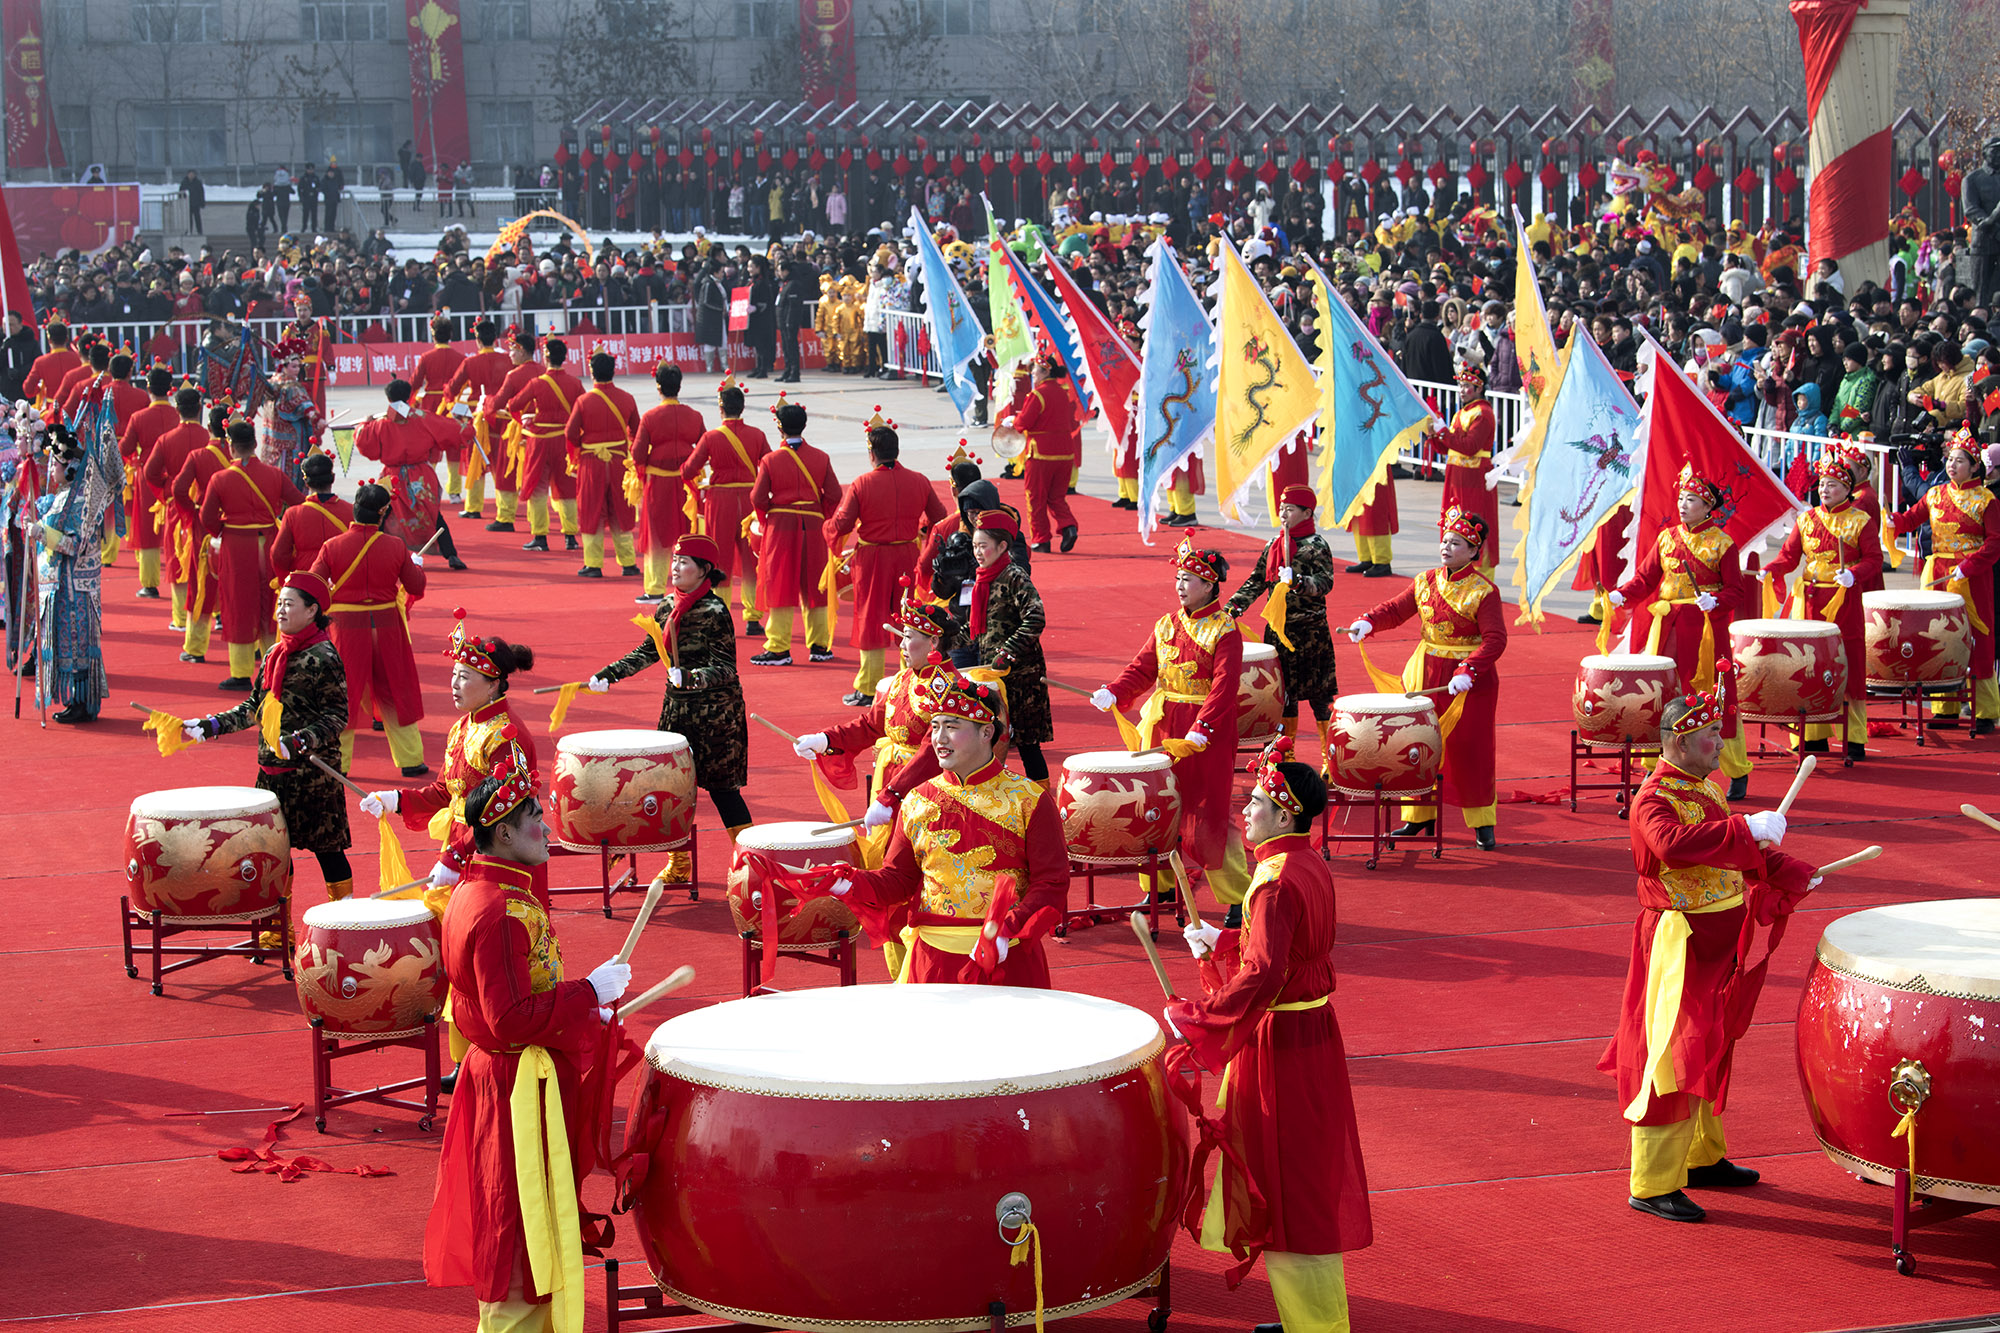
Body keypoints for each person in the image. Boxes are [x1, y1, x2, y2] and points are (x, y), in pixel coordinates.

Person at [1167, 738, 1372, 1332]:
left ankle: (1317, 1327)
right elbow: (1290, 954)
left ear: (1285, 814)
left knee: (1287, 1189)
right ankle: (1307, 1317)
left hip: (1280, 1045)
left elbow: (1264, 974)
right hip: (1310, 1033)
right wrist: (1224, 941)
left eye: (1254, 803)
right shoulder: (1307, 864)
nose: (1244, 813)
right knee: (1297, 1181)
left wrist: (1196, 1015)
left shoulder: (1274, 880)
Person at [422, 752, 629, 1332]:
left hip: (511, 1076)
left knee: (521, 1214)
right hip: (517, 1083)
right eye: (535, 816)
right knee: (517, 1220)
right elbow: (511, 1018)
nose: (546, 825)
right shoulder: (500, 911)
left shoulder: (480, 892)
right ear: (505, 831)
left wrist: (586, 996)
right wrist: (586, 992)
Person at [1598, 684, 1817, 1224]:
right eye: (1710, 737)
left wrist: (1795, 873)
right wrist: (1745, 827)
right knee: (1673, 1057)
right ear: (1678, 740)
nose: (1721, 745)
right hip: (1681, 946)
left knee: (1712, 1047)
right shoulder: (1654, 797)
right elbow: (1674, 845)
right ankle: (1651, 1182)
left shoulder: (1705, 789)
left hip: (1721, 941)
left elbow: (1741, 855)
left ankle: (1700, 1157)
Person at [793, 673, 1068, 986]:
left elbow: (1052, 882)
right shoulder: (918, 800)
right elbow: (898, 881)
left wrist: (1007, 929)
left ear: (986, 732)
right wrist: (848, 883)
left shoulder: (1029, 800)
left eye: (952, 727)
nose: (939, 738)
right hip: (932, 961)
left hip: (1007, 956)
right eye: (935, 727)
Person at [181, 571, 354, 935]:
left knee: (328, 852)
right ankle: (278, 930)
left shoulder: (323, 656)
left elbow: (338, 715)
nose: (280, 610)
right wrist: (209, 726)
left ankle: (345, 926)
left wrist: (300, 741)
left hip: (312, 776)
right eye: (279, 603)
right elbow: (253, 708)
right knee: (275, 854)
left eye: (289, 604)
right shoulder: (275, 652)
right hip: (271, 775)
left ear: (312, 611)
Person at [587, 533, 753, 878]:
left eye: (684, 562)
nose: (675, 567)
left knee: (723, 792)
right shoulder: (666, 605)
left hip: (716, 717)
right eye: (675, 561)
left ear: (703, 570)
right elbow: (647, 652)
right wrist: (609, 675)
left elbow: (726, 668)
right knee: (669, 789)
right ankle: (678, 863)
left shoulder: (715, 611)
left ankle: (751, 864)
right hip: (677, 712)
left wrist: (691, 677)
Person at [1097, 537, 1249, 913]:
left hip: (1204, 734)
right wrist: (1115, 691)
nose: (1180, 585)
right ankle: (1159, 886)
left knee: (1208, 811)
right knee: (1157, 807)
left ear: (1210, 585)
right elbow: (1143, 668)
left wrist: (1204, 727)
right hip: (1164, 726)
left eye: (1188, 579)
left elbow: (1224, 686)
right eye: (1178, 578)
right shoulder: (1166, 624)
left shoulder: (1224, 630)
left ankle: (1235, 897)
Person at [365, 615, 542, 925]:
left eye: (464, 677)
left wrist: (459, 854)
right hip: (461, 841)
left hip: (498, 848)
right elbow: (447, 791)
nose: (454, 684)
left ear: (493, 684)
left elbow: (505, 810)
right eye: (454, 674)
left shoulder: (505, 734)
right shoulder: (464, 726)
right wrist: (396, 799)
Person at [1348, 505, 1506, 849]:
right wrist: (1369, 621)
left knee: (1470, 749)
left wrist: (1470, 668)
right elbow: (1396, 609)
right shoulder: (1426, 581)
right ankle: (1418, 818)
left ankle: (1482, 821)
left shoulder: (1484, 591)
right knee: (1418, 743)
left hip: (1468, 682)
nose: (1446, 547)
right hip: (1428, 670)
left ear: (1474, 551)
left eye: (1457, 543)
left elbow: (1496, 639)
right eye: (1445, 541)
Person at [1608, 464, 1755, 799]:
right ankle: (1653, 772)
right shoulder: (1666, 538)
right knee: (1662, 695)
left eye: (1691, 499)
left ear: (1708, 507)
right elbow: (1646, 579)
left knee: (1715, 697)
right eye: (1681, 498)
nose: (1683, 504)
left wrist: (1714, 599)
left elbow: (1737, 590)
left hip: (1705, 629)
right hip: (1668, 627)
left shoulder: (1722, 544)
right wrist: (1623, 593)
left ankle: (1736, 769)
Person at [794, 577, 958, 826]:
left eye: (908, 637)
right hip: (894, 783)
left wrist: (891, 795)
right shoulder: (904, 677)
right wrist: (825, 739)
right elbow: (872, 725)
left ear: (933, 642)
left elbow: (931, 752)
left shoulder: (946, 688)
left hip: (926, 789)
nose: (901, 645)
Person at [1761, 444, 1883, 760]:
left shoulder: (1860, 521)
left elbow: (1874, 558)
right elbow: (1789, 557)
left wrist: (1854, 574)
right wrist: (1771, 569)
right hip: (1809, 600)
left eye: (1833, 484)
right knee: (1809, 664)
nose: (1825, 489)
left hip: (1843, 600)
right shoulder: (1807, 520)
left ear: (1847, 488)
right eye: (1822, 484)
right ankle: (1811, 736)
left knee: (1848, 662)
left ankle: (1854, 737)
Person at [823, 415, 947, 703]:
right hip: (907, 554)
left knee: (871, 619)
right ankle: (912, 682)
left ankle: (869, 687)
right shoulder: (919, 481)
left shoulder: (861, 483)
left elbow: (841, 524)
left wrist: (825, 527)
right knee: (909, 620)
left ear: (872, 453)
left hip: (872, 558)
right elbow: (939, 517)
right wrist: (919, 531)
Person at [309, 483, 429, 776]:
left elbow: (313, 585)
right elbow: (415, 586)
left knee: (344, 693)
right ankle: (411, 759)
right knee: (393, 690)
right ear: (383, 512)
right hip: (386, 625)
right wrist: (416, 567)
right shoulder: (395, 546)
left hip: (346, 628)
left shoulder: (332, 546)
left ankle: (341, 761)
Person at [1889, 428, 1999, 732]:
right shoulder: (1936, 493)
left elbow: (1995, 542)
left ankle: (1986, 711)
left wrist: (1971, 564)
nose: (1952, 465)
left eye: (1960, 460)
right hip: (1938, 572)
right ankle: (1944, 708)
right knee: (1938, 637)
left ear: (1975, 465)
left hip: (1971, 575)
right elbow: (1913, 518)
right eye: (1950, 459)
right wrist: (1893, 522)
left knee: (1978, 638)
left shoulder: (1985, 500)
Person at [1225, 483, 1338, 762]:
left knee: (1320, 698)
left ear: (1306, 512)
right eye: (1281, 508)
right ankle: (1285, 757)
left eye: (1289, 509)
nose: (1282, 513)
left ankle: (1329, 757)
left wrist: (1299, 582)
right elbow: (1256, 581)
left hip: (1310, 631)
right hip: (1279, 631)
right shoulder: (1274, 545)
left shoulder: (1316, 546)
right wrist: (1233, 608)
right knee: (1283, 696)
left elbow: (1326, 583)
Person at [199, 417, 304, 690]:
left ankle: (241, 672)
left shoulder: (220, 478)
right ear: (255, 443)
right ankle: (272, 668)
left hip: (237, 545)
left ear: (230, 447)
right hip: (269, 542)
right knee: (271, 606)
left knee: (238, 605)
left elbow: (207, 517)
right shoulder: (274, 474)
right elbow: (298, 504)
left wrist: (223, 529)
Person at [959, 507, 1054, 784]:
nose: (978, 552)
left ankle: (1042, 800)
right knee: (990, 739)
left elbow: (1036, 617)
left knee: (1027, 745)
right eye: (975, 545)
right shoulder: (983, 579)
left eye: (983, 546)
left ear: (1002, 546)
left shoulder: (1015, 576)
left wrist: (1009, 652)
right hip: (993, 675)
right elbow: (976, 628)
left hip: (1021, 676)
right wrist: (944, 637)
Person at [32, 422, 118, 723]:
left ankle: (82, 702)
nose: (50, 468)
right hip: (59, 585)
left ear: (69, 467)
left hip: (75, 589)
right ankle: (73, 700)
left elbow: (75, 544)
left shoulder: (82, 501)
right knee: (64, 644)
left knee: (78, 645)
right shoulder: (64, 496)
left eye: (54, 463)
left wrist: (43, 534)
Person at [749, 398, 841, 666]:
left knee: (780, 585)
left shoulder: (770, 460)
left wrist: (766, 518)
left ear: (779, 427)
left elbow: (757, 497)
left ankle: (778, 647)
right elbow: (834, 494)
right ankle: (820, 645)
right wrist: (820, 515)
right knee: (816, 586)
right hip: (813, 526)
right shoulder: (821, 457)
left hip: (781, 526)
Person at [680, 376, 767, 630]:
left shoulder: (711, 438)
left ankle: (721, 615)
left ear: (721, 409)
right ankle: (753, 617)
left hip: (721, 502)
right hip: (750, 500)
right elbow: (770, 465)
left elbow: (688, 471)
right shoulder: (757, 435)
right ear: (743, 407)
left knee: (720, 560)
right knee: (751, 561)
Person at [354, 379, 464, 571]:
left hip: (392, 476)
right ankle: (451, 554)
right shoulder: (422, 417)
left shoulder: (380, 423)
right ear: (409, 396)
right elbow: (451, 429)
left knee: (382, 512)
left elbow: (364, 442)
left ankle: (368, 553)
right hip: (420, 475)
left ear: (388, 398)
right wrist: (466, 427)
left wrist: (364, 421)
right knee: (432, 515)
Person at [142, 386, 215, 651]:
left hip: (178, 506)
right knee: (209, 561)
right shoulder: (210, 437)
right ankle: (214, 613)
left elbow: (150, 472)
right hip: (209, 506)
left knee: (177, 560)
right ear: (200, 408)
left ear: (177, 409)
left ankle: (180, 617)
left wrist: (167, 489)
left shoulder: (166, 440)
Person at [628, 362, 703, 603]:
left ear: (659, 386)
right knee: (686, 534)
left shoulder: (650, 417)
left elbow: (637, 454)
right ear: (679, 386)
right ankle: (690, 586)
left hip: (658, 482)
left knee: (657, 537)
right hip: (686, 483)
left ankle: (655, 589)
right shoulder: (694, 415)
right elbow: (703, 445)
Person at [564, 350, 640, 579]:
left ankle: (594, 564)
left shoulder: (584, 401)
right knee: (621, 511)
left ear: (591, 371)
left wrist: (579, 453)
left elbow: (570, 433)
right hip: (619, 461)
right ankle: (628, 563)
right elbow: (636, 432)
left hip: (591, 463)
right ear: (613, 371)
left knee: (591, 511)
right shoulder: (627, 398)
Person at [503, 336, 584, 553]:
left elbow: (514, 404)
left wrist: (526, 420)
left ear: (546, 358)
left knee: (537, 489)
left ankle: (540, 536)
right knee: (566, 489)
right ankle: (570, 537)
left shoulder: (537, 383)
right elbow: (583, 409)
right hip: (564, 441)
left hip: (539, 442)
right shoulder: (575, 383)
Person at [118, 363, 181, 599]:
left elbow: (125, 447)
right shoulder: (178, 415)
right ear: (170, 388)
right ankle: (181, 575)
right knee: (178, 527)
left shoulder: (139, 417)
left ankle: (150, 583)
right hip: (176, 474)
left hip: (148, 477)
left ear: (148, 387)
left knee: (147, 531)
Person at [443, 318, 513, 519]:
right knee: (501, 461)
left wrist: (449, 397)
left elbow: (453, 387)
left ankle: (474, 507)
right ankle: (506, 509)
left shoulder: (470, 362)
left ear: (477, 339)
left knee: (475, 461)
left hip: (478, 417)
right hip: (503, 417)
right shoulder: (508, 361)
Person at [1012, 351, 1081, 553]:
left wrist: (1013, 421)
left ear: (1043, 372)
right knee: (1057, 496)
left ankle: (1041, 538)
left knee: (1036, 497)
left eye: (1034, 370)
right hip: (1065, 452)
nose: (1032, 373)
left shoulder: (1037, 395)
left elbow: (1023, 422)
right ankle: (1068, 526)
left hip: (1041, 453)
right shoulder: (1062, 392)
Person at [1431, 365, 1497, 569]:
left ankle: (1478, 574)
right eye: (1460, 385)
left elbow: (1469, 447)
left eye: (1467, 385)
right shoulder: (1461, 413)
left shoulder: (1483, 413)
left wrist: (1443, 432)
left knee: (1473, 523)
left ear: (1479, 388)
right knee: (1454, 520)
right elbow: (1449, 447)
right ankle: (1456, 568)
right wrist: (1434, 433)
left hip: (1473, 478)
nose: (1461, 389)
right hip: (1456, 477)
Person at [479, 327, 544, 533]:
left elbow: (498, 402)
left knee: (507, 474)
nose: (509, 355)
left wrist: (485, 402)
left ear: (523, 351)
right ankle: (539, 522)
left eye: (513, 351)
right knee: (538, 476)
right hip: (542, 431)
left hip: (516, 431)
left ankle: (506, 517)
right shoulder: (545, 372)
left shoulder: (514, 375)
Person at [411, 315, 468, 503]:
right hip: (452, 404)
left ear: (433, 335)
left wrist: (408, 401)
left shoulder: (426, 357)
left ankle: (427, 488)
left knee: (429, 448)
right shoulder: (460, 358)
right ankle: (454, 492)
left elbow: (415, 383)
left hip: (431, 405)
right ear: (450, 334)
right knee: (454, 446)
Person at [272, 452, 353, 580]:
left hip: (305, 577)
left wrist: (294, 568)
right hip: (340, 577)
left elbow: (278, 554)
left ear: (306, 481)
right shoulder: (351, 511)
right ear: (333, 477)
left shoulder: (293, 514)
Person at [24, 317, 80, 404]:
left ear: (49, 340)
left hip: (52, 407)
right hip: (76, 406)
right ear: (66, 339)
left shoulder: (40, 362)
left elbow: (28, 389)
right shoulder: (78, 358)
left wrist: (39, 390)